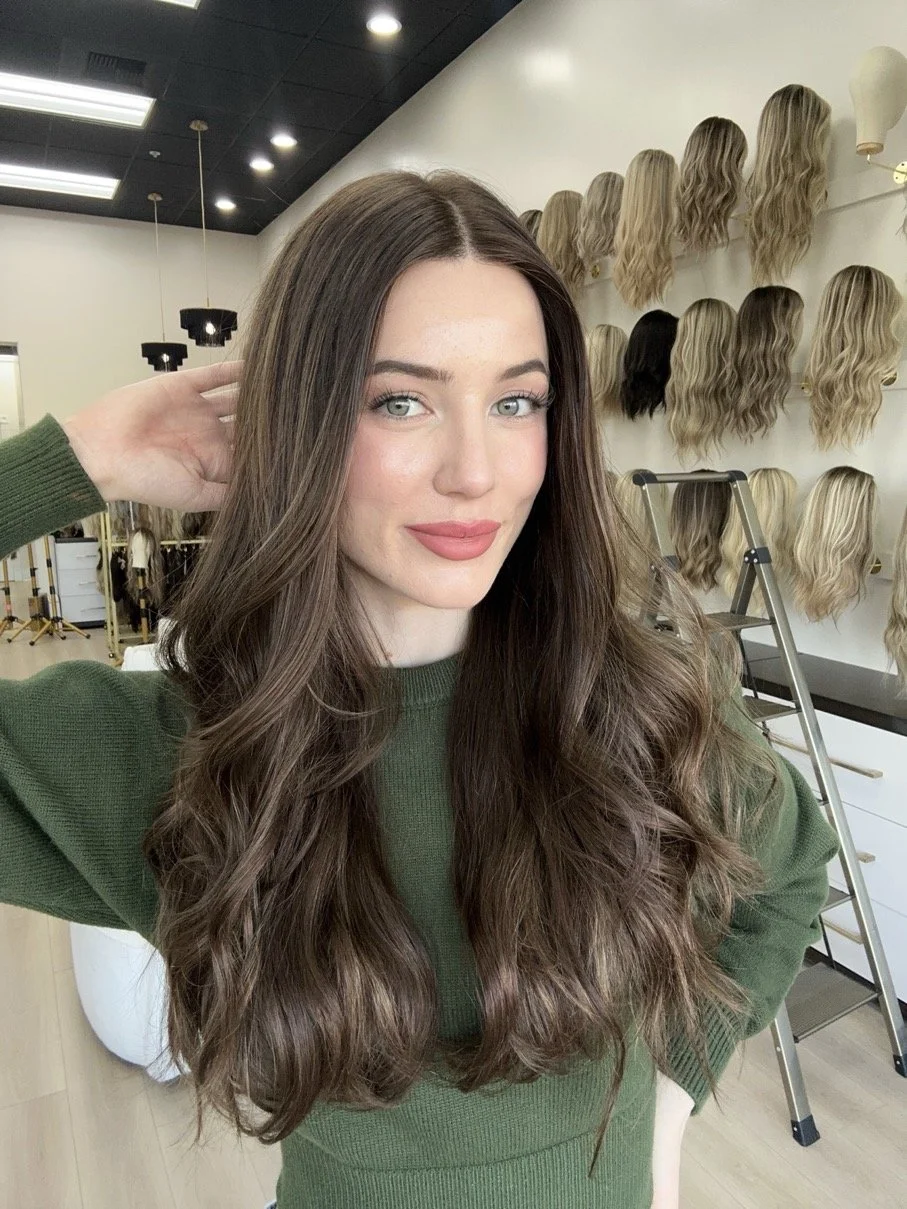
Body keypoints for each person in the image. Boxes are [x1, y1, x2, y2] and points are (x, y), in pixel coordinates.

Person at [0, 169, 840, 1209]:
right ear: (302, 421)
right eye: (399, 401)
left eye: (516, 401)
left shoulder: (634, 704)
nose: (474, 471)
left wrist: (668, 1104)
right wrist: (79, 461)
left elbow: (788, 874)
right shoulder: (181, 753)